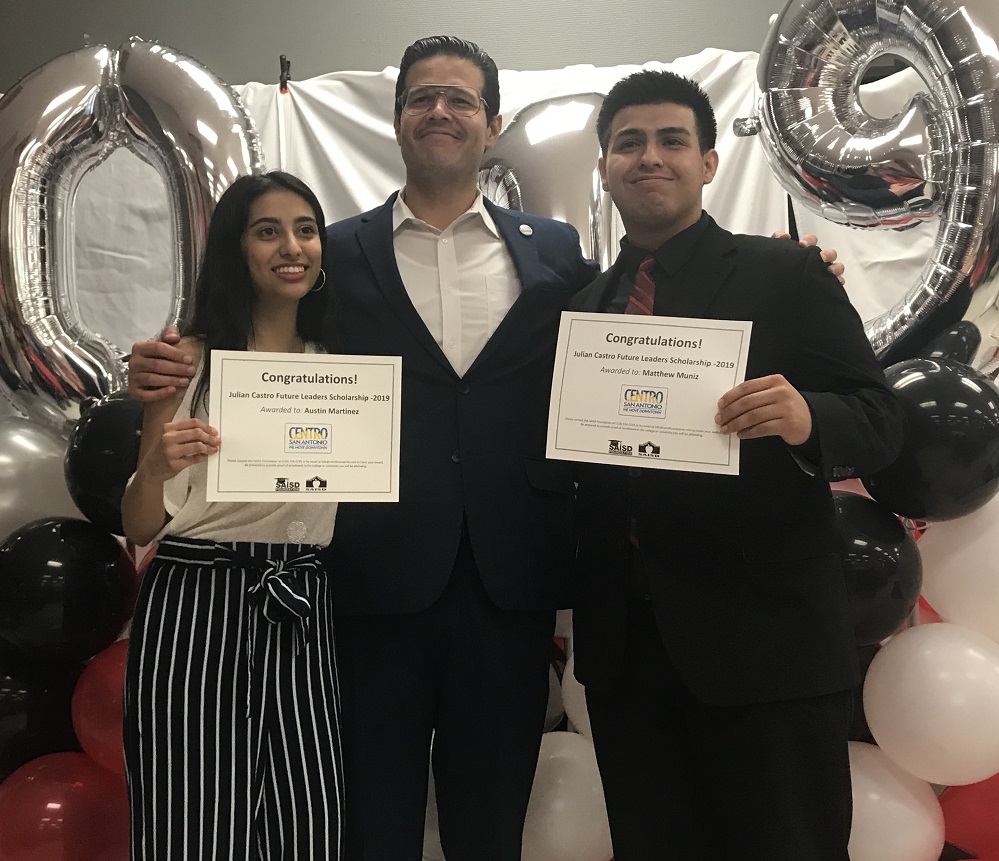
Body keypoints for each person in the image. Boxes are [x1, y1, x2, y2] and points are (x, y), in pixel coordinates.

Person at [125, 39, 846, 861]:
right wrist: (165, 360)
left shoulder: (557, 255)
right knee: (368, 828)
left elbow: (651, 326)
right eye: (422, 97)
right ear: (397, 118)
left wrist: (796, 268)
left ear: (492, 124)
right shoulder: (332, 255)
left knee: (490, 826)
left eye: (461, 99)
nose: (441, 111)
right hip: (372, 587)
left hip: (511, 588)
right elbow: (256, 331)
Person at [568, 70, 904, 861]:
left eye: (671, 140)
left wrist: (805, 418)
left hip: (767, 653)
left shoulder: (785, 274)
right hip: (629, 661)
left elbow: (880, 422)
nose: (649, 157)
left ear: (709, 162)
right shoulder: (582, 309)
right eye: (628, 143)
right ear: (605, 168)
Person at [120, 171, 344, 861]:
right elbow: (139, 525)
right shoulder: (183, 361)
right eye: (267, 231)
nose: (292, 247)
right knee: (192, 816)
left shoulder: (341, 367)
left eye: (306, 230)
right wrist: (155, 468)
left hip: (301, 598)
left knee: (307, 816)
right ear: (235, 247)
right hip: (197, 598)